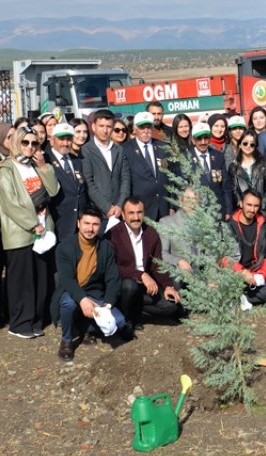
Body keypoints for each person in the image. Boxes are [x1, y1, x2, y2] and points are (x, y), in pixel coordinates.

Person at [0, 125, 59, 340]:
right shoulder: (6, 168)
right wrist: (33, 224)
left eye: (34, 143)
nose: (30, 147)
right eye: (25, 142)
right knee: (21, 280)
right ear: (16, 143)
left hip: (42, 232)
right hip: (21, 232)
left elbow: (53, 190)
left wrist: (44, 167)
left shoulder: (35, 165)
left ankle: (35, 319)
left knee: (40, 278)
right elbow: (10, 203)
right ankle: (19, 322)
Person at [55, 210, 124, 362]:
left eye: (95, 224)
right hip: (72, 291)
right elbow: (67, 280)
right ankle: (67, 339)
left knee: (119, 322)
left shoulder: (105, 247)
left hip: (95, 293)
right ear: (78, 223)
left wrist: (107, 304)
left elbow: (113, 278)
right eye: (86, 223)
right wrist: (82, 299)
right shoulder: (64, 247)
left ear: (100, 226)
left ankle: (86, 327)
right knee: (68, 304)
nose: (90, 228)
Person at [106, 198, 181, 335]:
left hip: (145, 287)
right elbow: (113, 268)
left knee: (171, 307)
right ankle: (127, 321)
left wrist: (168, 286)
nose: (136, 217)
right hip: (123, 285)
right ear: (123, 215)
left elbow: (157, 263)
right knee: (130, 286)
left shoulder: (151, 233)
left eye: (139, 212)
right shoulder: (113, 234)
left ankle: (137, 313)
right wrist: (140, 274)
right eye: (131, 213)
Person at [226, 191, 266, 306]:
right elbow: (224, 257)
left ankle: (243, 295)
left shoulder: (264, 226)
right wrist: (242, 272)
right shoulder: (228, 226)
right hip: (234, 272)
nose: (252, 210)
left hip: (255, 272)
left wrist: (260, 275)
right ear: (241, 204)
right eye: (249, 205)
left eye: (256, 206)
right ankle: (237, 293)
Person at [82, 110, 131, 221]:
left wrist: (120, 205)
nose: (105, 130)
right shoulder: (86, 150)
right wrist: (107, 207)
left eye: (109, 126)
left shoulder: (119, 150)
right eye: (101, 126)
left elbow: (125, 178)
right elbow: (89, 183)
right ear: (94, 127)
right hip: (98, 212)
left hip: (120, 211)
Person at [46, 122, 90, 245]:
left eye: (69, 139)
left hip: (79, 224)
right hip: (60, 223)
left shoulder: (77, 160)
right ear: (52, 140)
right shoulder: (46, 161)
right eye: (61, 139)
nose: (65, 143)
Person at [124, 113, 170, 221]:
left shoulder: (163, 147)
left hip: (164, 209)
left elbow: (171, 178)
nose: (145, 131)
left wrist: (172, 206)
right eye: (142, 127)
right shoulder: (125, 149)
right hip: (141, 210)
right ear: (135, 129)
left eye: (148, 127)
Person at [226, 130, 266, 222]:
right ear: (240, 145)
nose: (248, 146)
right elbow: (233, 190)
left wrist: (258, 206)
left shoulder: (263, 164)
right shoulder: (233, 167)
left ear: (255, 147)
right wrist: (243, 206)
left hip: (263, 212)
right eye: (245, 143)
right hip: (242, 214)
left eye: (252, 144)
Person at [189, 122, 232, 217]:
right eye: (199, 139)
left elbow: (226, 186)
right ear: (193, 140)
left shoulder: (218, 156)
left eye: (206, 138)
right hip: (198, 213)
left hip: (219, 211)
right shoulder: (186, 158)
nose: (203, 142)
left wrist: (229, 211)